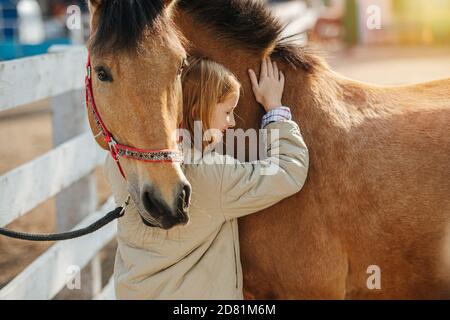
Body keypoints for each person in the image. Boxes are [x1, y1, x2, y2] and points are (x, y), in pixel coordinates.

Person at [104, 57, 309, 299]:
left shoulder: (120, 163)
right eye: (227, 111)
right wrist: (274, 108)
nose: (232, 122)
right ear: (197, 111)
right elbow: (289, 171)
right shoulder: (212, 175)